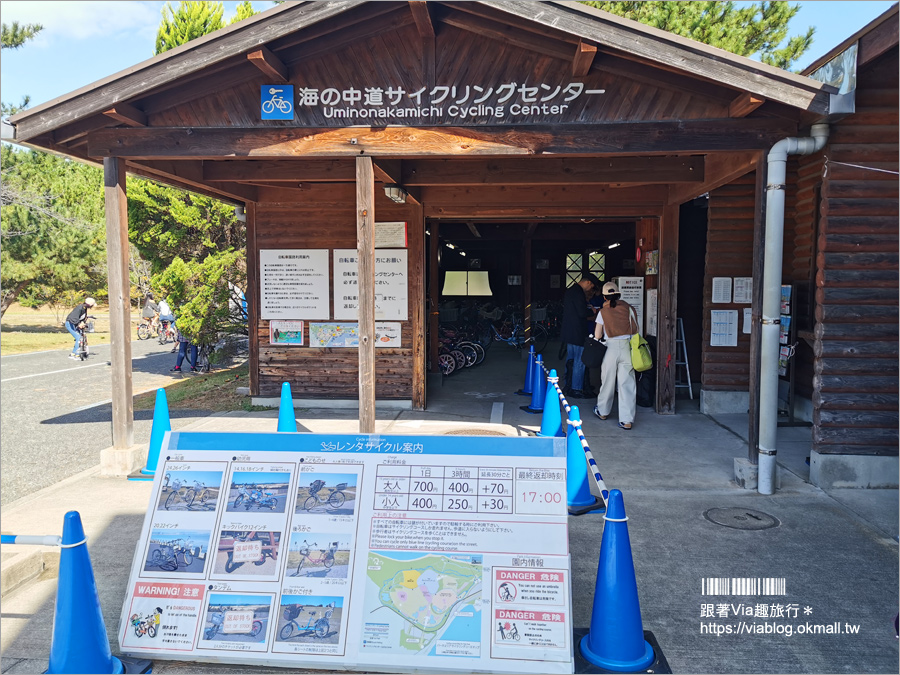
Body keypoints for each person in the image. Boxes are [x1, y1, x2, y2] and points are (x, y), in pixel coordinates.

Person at [593, 281, 638, 430]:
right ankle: (626, 420)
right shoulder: (629, 308)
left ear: (605, 297)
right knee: (627, 384)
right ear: (618, 294)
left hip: (610, 349)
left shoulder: (602, 312)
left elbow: (598, 335)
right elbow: (635, 329)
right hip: (627, 347)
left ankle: (603, 411)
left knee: (607, 381)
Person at [560, 273, 601, 398]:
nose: (591, 289)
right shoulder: (578, 293)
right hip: (577, 331)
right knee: (579, 360)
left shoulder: (572, 290)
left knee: (571, 359)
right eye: (592, 286)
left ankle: (569, 384)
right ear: (588, 282)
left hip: (569, 331)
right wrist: (593, 312)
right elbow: (582, 312)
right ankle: (576, 388)